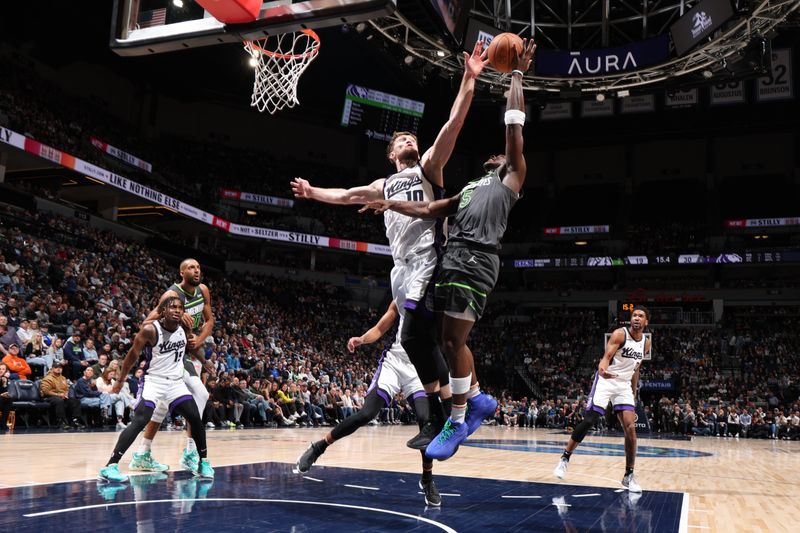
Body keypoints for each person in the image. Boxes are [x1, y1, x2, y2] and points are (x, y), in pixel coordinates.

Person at [290, 41, 491, 449]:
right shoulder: (382, 185)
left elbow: (452, 126)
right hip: (399, 267)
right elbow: (347, 195)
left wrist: (469, 80)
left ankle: (447, 414)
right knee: (415, 337)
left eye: (411, 137)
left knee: (419, 331)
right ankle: (457, 407)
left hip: (428, 258)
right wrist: (312, 193)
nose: (409, 139)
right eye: (402, 139)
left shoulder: (429, 168)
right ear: (391, 152)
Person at [361, 39, 537, 461]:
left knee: (452, 342)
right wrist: (390, 203)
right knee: (438, 336)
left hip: (476, 257)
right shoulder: (472, 187)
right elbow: (430, 207)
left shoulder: (511, 177)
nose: (498, 154)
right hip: (453, 257)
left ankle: (457, 419)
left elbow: (514, 126)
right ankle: (473, 396)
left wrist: (515, 75)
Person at [295, 299, 442, 506]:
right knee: (366, 414)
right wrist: (362, 339)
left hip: (419, 368)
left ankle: (427, 479)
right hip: (394, 362)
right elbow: (382, 326)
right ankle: (318, 447)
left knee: (426, 421)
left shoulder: (440, 297)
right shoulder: (404, 292)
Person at [98, 296, 214, 483]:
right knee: (140, 420)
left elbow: (190, 347)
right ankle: (110, 466)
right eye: (173, 307)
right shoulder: (150, 331)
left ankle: (204, 462)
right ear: (163, 311)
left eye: (180, 308)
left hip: (175, 383)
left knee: (195, 417)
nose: (177, 310)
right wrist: (120, 380)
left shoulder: (183, 329)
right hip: (154, 381)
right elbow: (131, 356)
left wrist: (204, 361)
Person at [552, 306, 651, 493]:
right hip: (606, 380)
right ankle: (565, 458)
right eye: (634, 315)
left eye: (641, 316)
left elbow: (636, 369)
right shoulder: (619, 335)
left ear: (646, 322)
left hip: (623, 385)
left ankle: (628, 476)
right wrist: (602, 369)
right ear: (631, 319)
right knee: (590, 421)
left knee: (630, 427)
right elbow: (606, 358)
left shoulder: (646, 343)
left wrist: (634, 391)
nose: (637, 318)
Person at [131, 258, 215, 473]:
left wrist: (199, 339)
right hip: (168, 353)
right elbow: (146, 324)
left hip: (186, 352)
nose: (196, 271)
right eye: (191, 268)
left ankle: (148, 452)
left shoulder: (203, 290)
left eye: (198, 267)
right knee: (183, 399)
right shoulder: (171, 296)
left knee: (189, 398)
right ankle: (181, 452)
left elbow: (209, 321)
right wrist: (173, 318)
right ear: (181, 273)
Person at [39, 361, 82, 429]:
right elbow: (46, 391)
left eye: (60, 367)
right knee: (59, 401)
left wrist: (65, 394)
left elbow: (66, 388)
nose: (58, 369)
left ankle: (75, 421)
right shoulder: (47, 378)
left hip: (61, 396)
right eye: (56, 367)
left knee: (75, 401)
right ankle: (61, 422)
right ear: (52, 369)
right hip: (49, 397)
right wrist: (58, 395)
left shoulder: (63, 378)